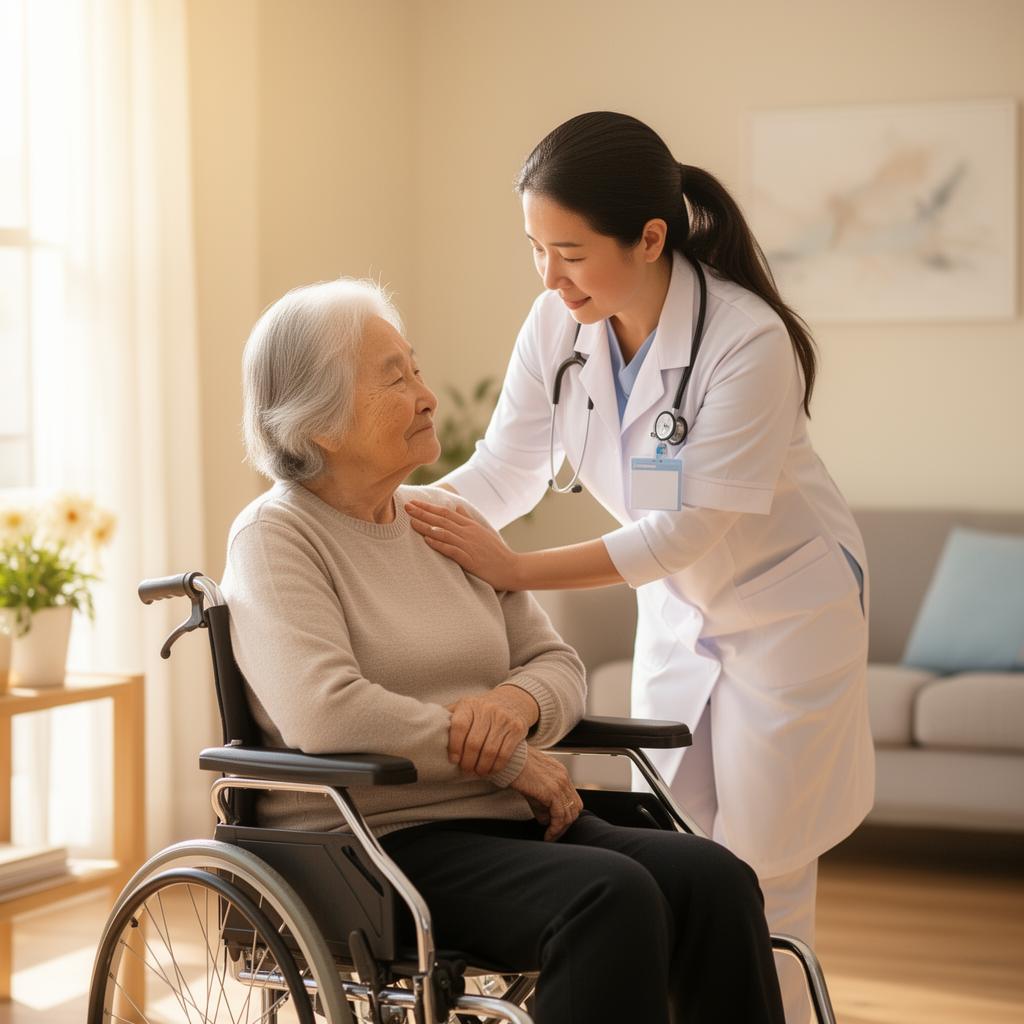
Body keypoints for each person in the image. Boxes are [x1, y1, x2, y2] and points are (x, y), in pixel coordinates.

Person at [404, 111, 873, 1023]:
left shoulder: (745, 340)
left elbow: (684, 530)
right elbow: (504, 470)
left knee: (764, 874)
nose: (549, 277)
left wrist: (513, 568)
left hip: (785, 619)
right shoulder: (560, 322)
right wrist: (385, 519)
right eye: (536, 249)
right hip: (680, 617)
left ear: (651, 238)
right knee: (679, 853)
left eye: (571, 253)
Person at [221, 277, 786, 1024]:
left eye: (416, 369)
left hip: (509, 820)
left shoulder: (443, 517)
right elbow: (327, 713)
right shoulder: (275, 536)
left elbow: (557, 665)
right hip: (375, 842)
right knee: (609, 897)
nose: (427, 396)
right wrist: (508, 757)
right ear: (318, 422)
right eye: (395, 380)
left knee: (712, 878)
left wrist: (515, 705)